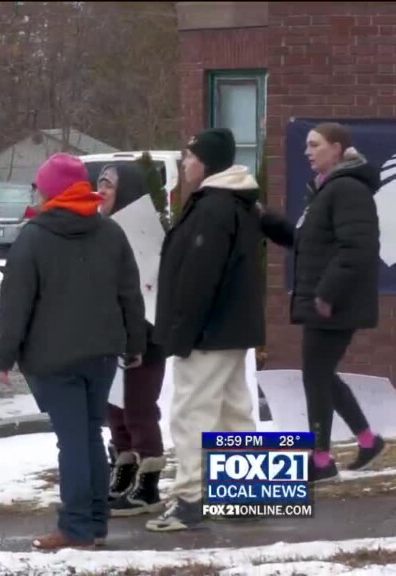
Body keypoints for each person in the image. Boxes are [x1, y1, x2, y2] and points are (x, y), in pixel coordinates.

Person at [0, 153, 147, 550]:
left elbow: (15, 304)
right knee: (89, 435)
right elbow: (130, 294)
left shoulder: (34, 237)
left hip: (52, 359)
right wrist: (134, 344)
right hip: (102, 355)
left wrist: (2, 357)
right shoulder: (110, 233)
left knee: (74, 441)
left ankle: (77, 527)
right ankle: (94, 522)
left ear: (50, 191)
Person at [146, 128, 264, 533]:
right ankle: (247, 496)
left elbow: (198, 278)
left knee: (191, 413)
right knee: (235, 413)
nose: (184, 163)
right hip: (232, 328)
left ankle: (189, 501)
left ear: (208, 162)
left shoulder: (212, 208)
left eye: (190, 157)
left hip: (207, 332)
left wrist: (181, 334)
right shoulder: (238, 203)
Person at [259, 122, 384, 482]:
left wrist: (327, 293)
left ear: (338, 148)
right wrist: (264, 219)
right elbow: (304, 243)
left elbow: (357, 249)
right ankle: (365, 439)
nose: (307, 151)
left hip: (335, 301)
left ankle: (320, 460)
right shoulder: (325, 191)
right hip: (326, 300)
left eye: (315, 145)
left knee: (315, 375)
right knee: (321, 373)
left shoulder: (348, 190)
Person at [95, 163, 169, 518]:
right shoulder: (105, 229)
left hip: (145, 339)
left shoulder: (143, 231)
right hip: (115, 338)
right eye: (99, 183)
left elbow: (148, 291)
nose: (101, 190)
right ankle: (123, 473)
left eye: (108, 184)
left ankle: (149, 486)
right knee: (117, 412)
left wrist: (138, 339)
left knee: (139, 410)